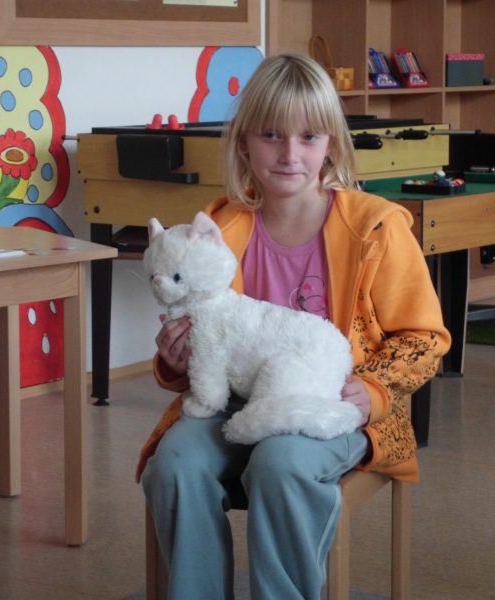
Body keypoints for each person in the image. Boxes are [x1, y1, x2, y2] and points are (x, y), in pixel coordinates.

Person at [137, 53, 451, 599]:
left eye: (308, 137)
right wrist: (174, 357)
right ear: (244, 144)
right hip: (234, 404)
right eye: (271, 136)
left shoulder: (376, 227)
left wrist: (373, 390)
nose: (289, 154)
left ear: (331, 143)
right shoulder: (221, 226)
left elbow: (426, 338)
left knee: (280, 462)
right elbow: (201, 339)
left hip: (337, 406)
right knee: (175, 465)